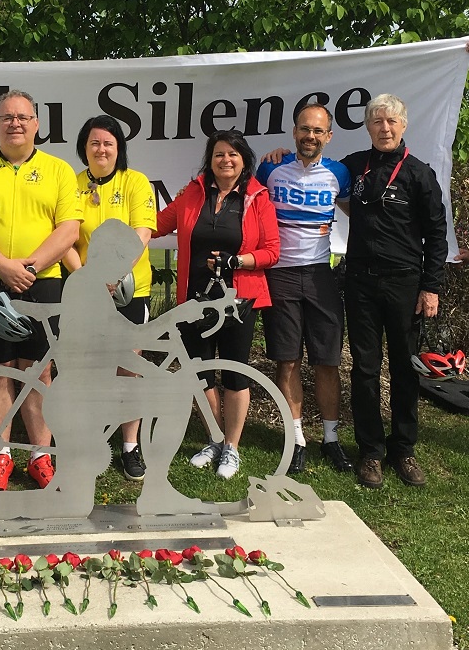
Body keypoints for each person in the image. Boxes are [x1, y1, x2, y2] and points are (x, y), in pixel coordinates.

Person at [0, 89, 82, 491]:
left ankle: (41, 455)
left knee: (39, 371)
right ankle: (0, 457)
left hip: (43, 282)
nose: (15, 123)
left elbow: (69, 229)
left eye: (23, 117)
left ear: (36, 124)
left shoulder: (59, 171)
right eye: (7, 117)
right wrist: (5, 268)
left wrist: (31, 266)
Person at [154, 129, 280, 479]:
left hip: (238, 300)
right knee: (200, 373)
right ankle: (215, 437)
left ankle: (233, 448)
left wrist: (237, 261)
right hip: (194, 299)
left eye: (233, 154)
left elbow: (272, 251)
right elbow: (156, 226)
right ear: (209, 160)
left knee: (235, 373)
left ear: (244, 160)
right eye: (219, 154)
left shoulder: (257, 197)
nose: (226, 160)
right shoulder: (192, 194)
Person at [340, 93, 448, 489]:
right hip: (361, 283)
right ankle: (370, 452)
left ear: (404, 125)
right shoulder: (353, 166)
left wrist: (430, 287)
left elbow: (437, 234)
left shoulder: (419, 174)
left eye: (391, 122)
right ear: (367, 126)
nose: (384, 128)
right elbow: (313, 171)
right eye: (377, 122)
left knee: (404, 368)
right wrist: (277, 156)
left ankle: (403, 448)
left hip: (405, 282)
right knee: (365, 368)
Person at [255, 104, 353, 475]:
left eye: (318, 131)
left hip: (319, 275)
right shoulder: (270, 168)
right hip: (279, 273)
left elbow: (352, 209)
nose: (310, 136)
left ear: (328, 136)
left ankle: (331, 439)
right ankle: (296, 439)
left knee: (327, 361)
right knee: (288, 359)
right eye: (304, 129)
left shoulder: (339, 173)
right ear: (294, 132)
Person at [63, 115, 156, 481]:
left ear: (119, 149)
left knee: (128, 369)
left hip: (130, 290)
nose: (101, 149)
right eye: (94, 143)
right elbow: (65, 237)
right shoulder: (70, 184)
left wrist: (113, 274)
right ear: (84, 147)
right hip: (87, 291)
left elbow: (142, 232)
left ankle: (130, 446)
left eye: (109, 143)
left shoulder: (135, 182)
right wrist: (88, 278)